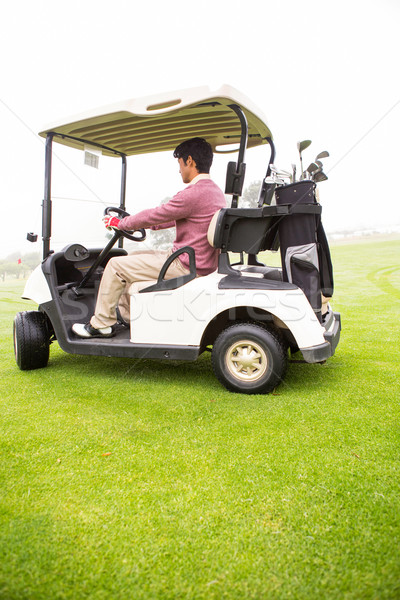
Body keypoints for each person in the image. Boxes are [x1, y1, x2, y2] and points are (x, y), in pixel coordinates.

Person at [72, 137, 226, 338]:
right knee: (133, 257)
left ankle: (101, 323)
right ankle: (129, 320)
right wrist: (143, 224)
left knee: (115, 265)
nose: (179, 170)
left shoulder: (193, 193)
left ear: (189, 161)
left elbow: (157, 213)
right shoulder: (214, 191)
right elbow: (170, 217)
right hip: (199, 261)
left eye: (179, 164)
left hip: (186, 265)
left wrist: (121, 223)